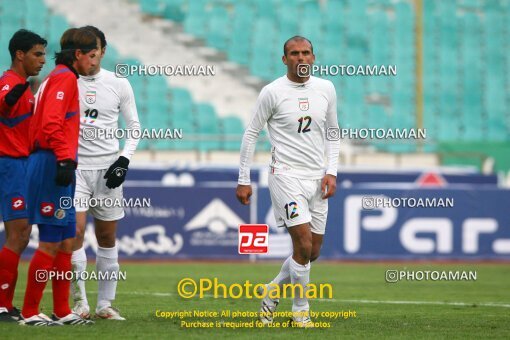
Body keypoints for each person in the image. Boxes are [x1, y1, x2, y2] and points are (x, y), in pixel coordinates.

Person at [236, 36, 340, 328]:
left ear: (314, 57)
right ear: (285, 60)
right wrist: (244, 179)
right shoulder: (272, 92)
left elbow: (333, 132)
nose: (301, 58)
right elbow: (251, 134)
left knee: (312, 252)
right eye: (294, 54)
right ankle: (300, 311)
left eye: (306, 53)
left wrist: (332, 172)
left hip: (317, 178)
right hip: (285, 175)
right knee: (303, 244)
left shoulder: (326, 89)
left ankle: (271, 290)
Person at [19, 27, 98, 326]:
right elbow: (51, 123)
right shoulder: (64, 77)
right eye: (91, 56)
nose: (94, 62)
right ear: (78, 55)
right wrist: (65, 158)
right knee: (51, 241)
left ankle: (63, 310)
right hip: (53, 162)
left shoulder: (60, 77)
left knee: (66, 241)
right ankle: (29, 312)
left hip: (58, 161)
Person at [71, 25, 140, 321]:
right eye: (85, 53)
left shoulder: (118, 83)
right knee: (74, 234)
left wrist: (123, 160)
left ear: (103, 51)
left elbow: (135, 127)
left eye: (95, 52)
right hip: (74, 169)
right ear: (76, 54)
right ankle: (80, 303)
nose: (91, 58)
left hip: (108, 171)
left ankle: (104, 305)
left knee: (107, 237)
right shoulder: (65, 83)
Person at [0, 29, 46, 323]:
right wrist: (14, 95)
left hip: (23, 165)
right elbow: (3, 103)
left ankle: (6, 304)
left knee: (22, 234)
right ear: (20, 54)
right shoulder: (8, 82)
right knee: (17, 234)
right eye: (37, 54)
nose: (42, 60)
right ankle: (2, 305)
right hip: (11, 165)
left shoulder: (24, 85)